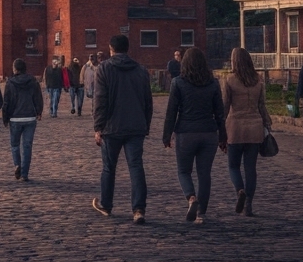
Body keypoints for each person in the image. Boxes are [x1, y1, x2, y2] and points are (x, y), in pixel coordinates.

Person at [92, 33, 153, 225]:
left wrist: (98, 126)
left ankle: (106, 204)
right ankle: (138, 209)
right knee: (136, 166)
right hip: (136, 126)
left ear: (111, 49)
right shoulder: (141, 70)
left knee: (109, 168)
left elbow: (100, 100)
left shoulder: (104, 69)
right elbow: (147, 101)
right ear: (128, 49)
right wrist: (146, 125)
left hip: (112, 127)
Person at [163, 47, 226, 225]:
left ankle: (191, 197)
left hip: (186, 132)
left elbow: (171, 112)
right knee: (204, 173)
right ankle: (202, 211)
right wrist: (223, 137)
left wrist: (166, 135)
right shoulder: (213, 83)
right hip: (209, 132)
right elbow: (220, 113)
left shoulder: (178, 83)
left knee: (184, 171)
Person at [224, 48, 272, 217]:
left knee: (233, 166)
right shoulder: (257, 80)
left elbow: (225, 106)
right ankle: (249, 203)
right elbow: (262, 105)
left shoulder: (230, 80)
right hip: (255, 127)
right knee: (250, 168)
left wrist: (220, 130)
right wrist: (267, 124)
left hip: (235, 127)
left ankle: (240, 190)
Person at [2, 58, 43, 181]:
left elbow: (6, 102)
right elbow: (38, 98)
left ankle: (17, 165)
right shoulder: (33, 81)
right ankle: (24, 174)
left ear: (15, 69)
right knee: (27, 146)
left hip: (15, 118)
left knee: (15, 145)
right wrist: (39, 111)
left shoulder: (10, 83)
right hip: (30, 117)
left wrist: (5, 118)